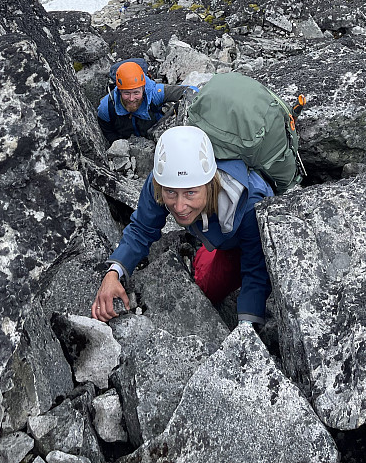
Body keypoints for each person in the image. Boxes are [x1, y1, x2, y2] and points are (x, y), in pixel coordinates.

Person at [91, 125, 273, 326]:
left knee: (217, 287)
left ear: (210, 184)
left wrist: (247, 330)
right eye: (171, 193)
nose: (179, 207)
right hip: (218, 235)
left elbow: (256, 270)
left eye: (190, 193)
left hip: (245, 241)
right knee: (204, 287)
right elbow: (142, 228)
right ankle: (207, 249)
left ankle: (209, 249)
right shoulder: (162, 180)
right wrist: (113, 273)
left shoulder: (248, 204)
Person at [97, 61, 196, 145]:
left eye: (136, 92)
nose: (131, 99)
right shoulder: (107, 108)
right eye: (126, 93)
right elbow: (108, 132)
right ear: (119, 91)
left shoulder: (154, 94)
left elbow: (191, 91)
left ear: (143, 89)